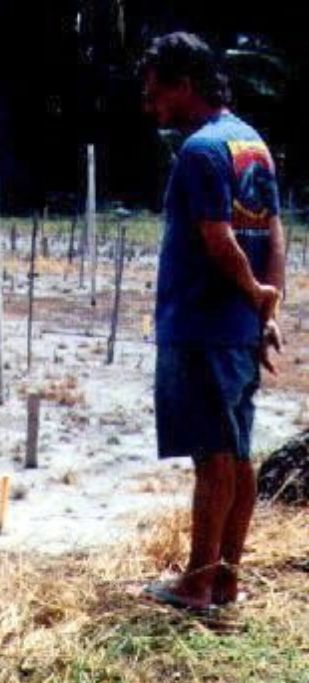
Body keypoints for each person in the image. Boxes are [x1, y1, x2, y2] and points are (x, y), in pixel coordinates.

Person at [139, 31, 286, 612]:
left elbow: (218, 237)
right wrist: (265, 307)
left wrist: (252, 291)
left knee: (213, 457)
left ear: (184, 84)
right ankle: (226, 579)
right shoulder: (252, 144)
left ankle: (198, 584)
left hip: (202, 324)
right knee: (237, 452)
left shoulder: (200, 152)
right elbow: (273, 231)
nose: (150, 104)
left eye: (156, 92)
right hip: (237, 327)